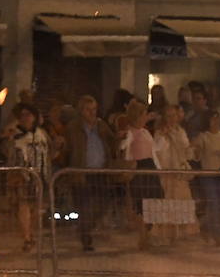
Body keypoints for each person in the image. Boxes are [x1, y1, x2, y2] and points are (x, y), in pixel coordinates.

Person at [63, 94, 116, 252]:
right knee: (85, 206)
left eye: (94, 109)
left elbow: (111, 142)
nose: (92, 113)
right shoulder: (73, 128)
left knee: (102, 203)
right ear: (81, 111)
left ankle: (85, 227)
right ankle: (85, 235)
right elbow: (68, 149)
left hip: (101, 172)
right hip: (82, 172)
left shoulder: (101, 125)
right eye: (88, 110)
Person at [2, 102, 51, 252]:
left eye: (28, 115)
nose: (25, 118)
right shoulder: (14, 134)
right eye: (22, 115)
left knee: (37, 207)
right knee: (23, 205)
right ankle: (27, 237)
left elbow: (49, 151)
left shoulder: (41, 134)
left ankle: (31, 233)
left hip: (40, 174)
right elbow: (5, 149)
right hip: (21, 175)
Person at [154, 103, 195, 243]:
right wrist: (165, 137)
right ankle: (169, 234)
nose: (172, 118)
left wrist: (191, 150)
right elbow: (158, 150)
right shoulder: (160, 133)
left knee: (182, 202)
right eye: (169, 116)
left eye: (174, 115)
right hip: (168, 172)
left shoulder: (181, 131)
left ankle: (182, 232)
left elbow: (187, 150)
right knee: (169, 202)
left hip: (180, 172)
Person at [122, 101, 161, 250]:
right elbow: (126, 150)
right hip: (138, 168)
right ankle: (143, 237)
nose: (147, 116)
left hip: (149, 167)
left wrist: (158, 168)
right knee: (140, 204)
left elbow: (153, 151)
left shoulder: (145, 132)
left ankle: (148, 234)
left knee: (152, 202)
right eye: (144, 114)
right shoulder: (131, 132)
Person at [193, 109, 220, 245]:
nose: (216, 122)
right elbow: (197, 154)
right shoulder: (203, 136)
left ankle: (206, 226)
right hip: (209, 174)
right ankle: (216, 234)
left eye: (217, 118)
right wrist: (196, 150)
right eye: (213, 119)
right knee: (213, 204)